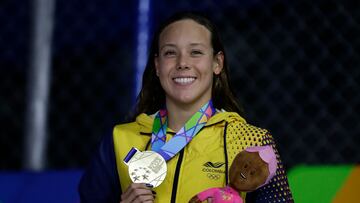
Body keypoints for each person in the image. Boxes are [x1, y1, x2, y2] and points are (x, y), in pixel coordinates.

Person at [78, 11, 294, 203]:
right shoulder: (119, 140)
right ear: (157, 65)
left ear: (217, 63)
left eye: (196, 52)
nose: (182, 63)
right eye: (170, 53)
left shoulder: (252, 141)